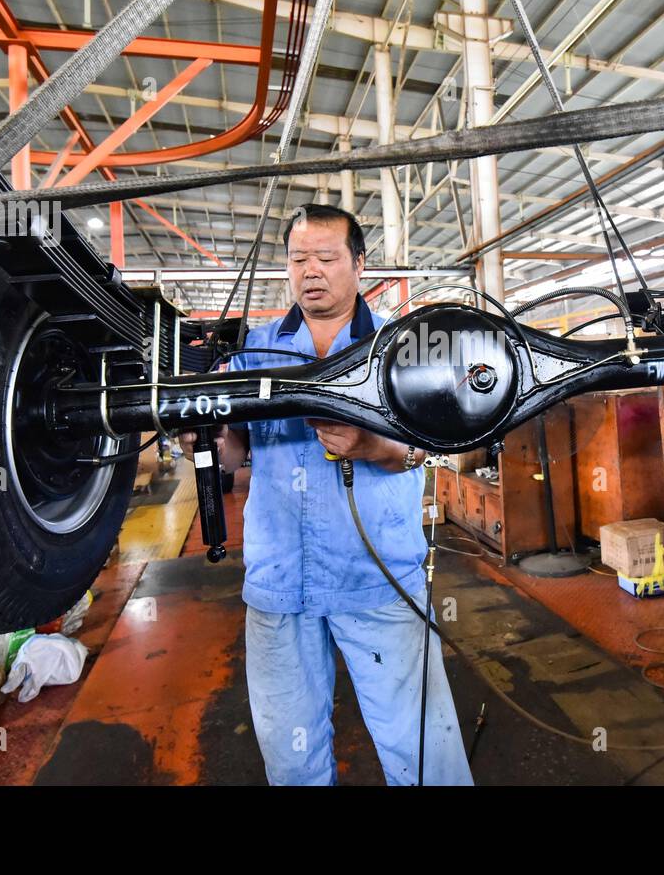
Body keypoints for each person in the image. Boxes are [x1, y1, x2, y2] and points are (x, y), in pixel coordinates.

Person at [182, 203, 472, 786]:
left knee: (422, 744)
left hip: (378, 576)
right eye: (298, 259)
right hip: (280, 581)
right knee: (291, 756)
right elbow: (237, 454)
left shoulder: (400, 346)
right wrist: (206, 440)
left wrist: (370, 446)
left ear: (358, 264)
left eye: (326, 257)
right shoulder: (254, 351)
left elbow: (427, 449)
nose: (310, 271)